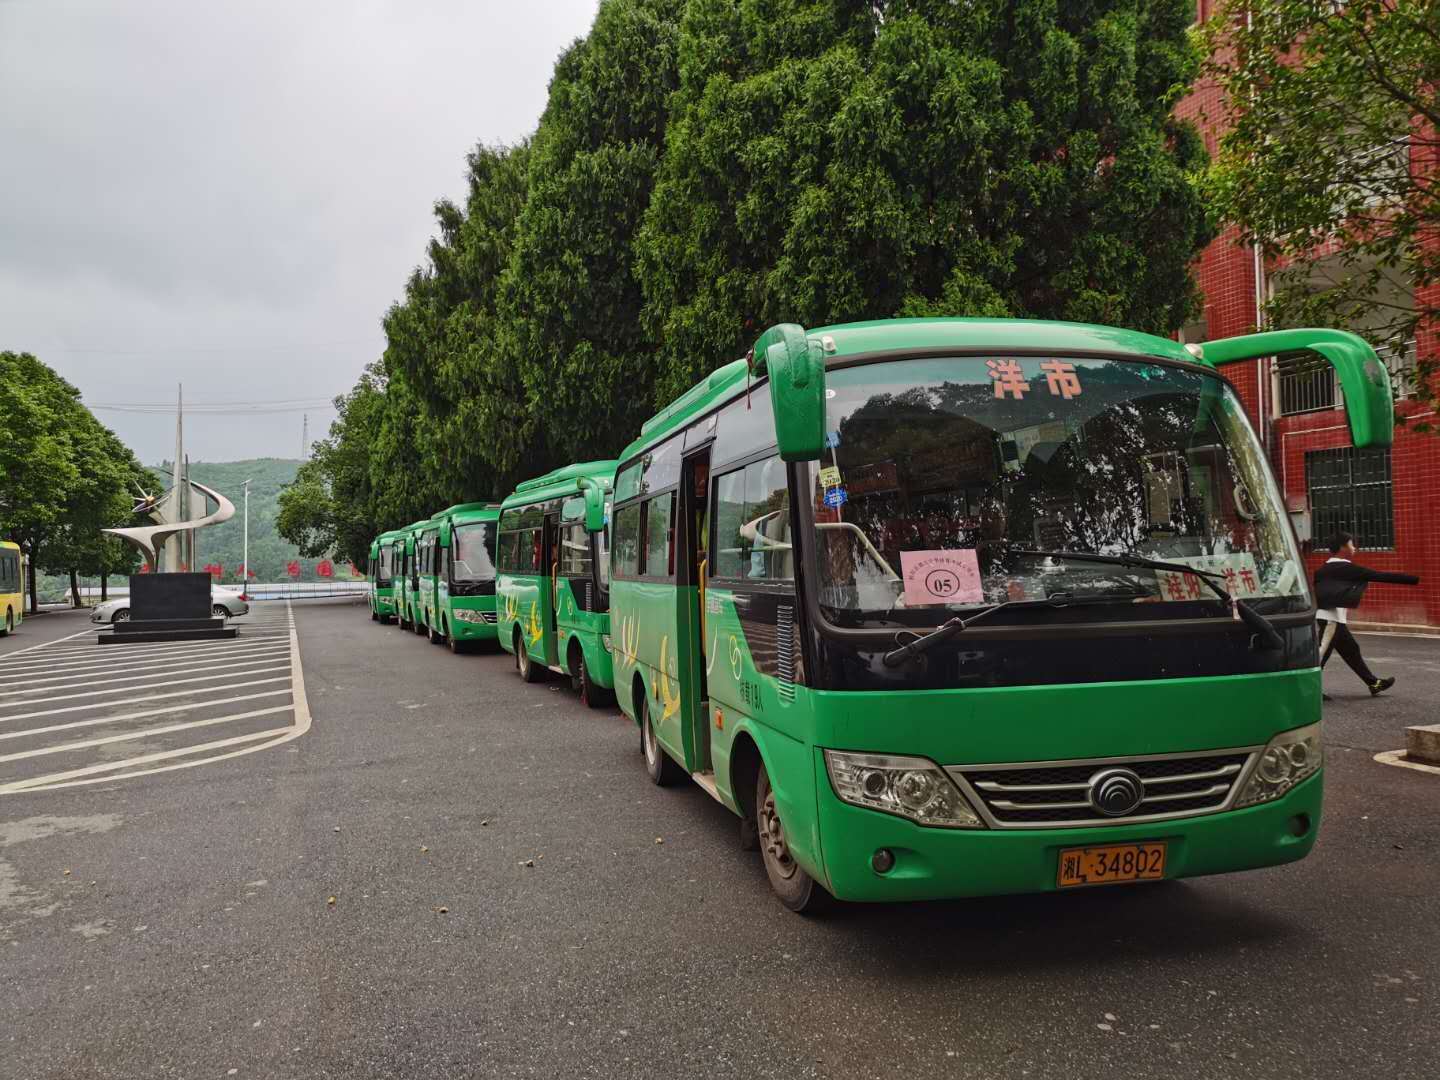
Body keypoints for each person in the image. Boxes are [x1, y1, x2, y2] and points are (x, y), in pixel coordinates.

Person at [1314, 531, 1421, 697]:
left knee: (1351, 650)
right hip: (1331, 620)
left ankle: (1373, 683)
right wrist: (1415, 579)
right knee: (1321, 654)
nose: (1354, 547)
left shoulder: (1322, 570)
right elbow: (1380, 576)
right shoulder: (1346, 568)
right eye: (1351, 544)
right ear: (1343, 548)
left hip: (1333, 619)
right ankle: (1307, 690)